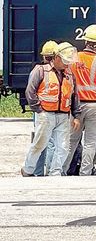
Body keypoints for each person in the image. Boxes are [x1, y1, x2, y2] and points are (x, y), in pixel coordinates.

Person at [21, 42, 81, 176]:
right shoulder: (41, 70)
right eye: (65, 61)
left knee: (63, 147)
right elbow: (30, 91)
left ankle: (55, 172)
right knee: (39, 144)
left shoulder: (70, 75)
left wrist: (76, 115)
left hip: (63, 116)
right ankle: (28, 170)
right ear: (56, 58)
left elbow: (74, 96)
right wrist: (38, 109)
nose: (67, 64)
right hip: (45, 114)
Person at [63, 25, 96, 176]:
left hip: (76, 106)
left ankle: (61, 171)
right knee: (90, 142)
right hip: (94, 106)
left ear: (85, 42)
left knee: (71, 142)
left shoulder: (74, 58)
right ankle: (85, 173)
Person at [34, 40, 59, 176]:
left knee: (40, 142)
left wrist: (37, 109)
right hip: (53, 112)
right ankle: (49, 171)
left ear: (44, 56)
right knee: (51, 143)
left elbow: (30, 92)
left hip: (42, 111)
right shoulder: (60, 72)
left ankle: (38, 172)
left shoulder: (39, 70)